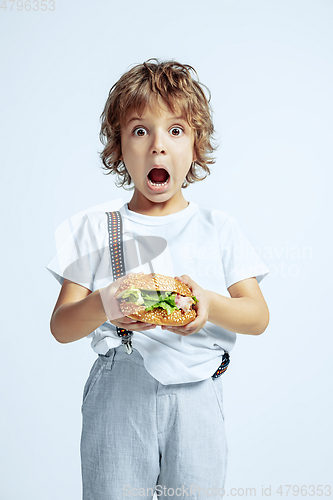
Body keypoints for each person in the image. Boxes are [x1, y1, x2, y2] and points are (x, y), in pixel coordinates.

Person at [46, 59, 270, 499]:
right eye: (140, 130)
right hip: (119, 392)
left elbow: (257, 316)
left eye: (176, 130)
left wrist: (208, 304)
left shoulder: (218, 227)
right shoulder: (97, 228)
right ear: (118, 148)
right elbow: (60, 327)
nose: (158, 148)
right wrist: (106, 303)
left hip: (198, 394)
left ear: (196, 145)